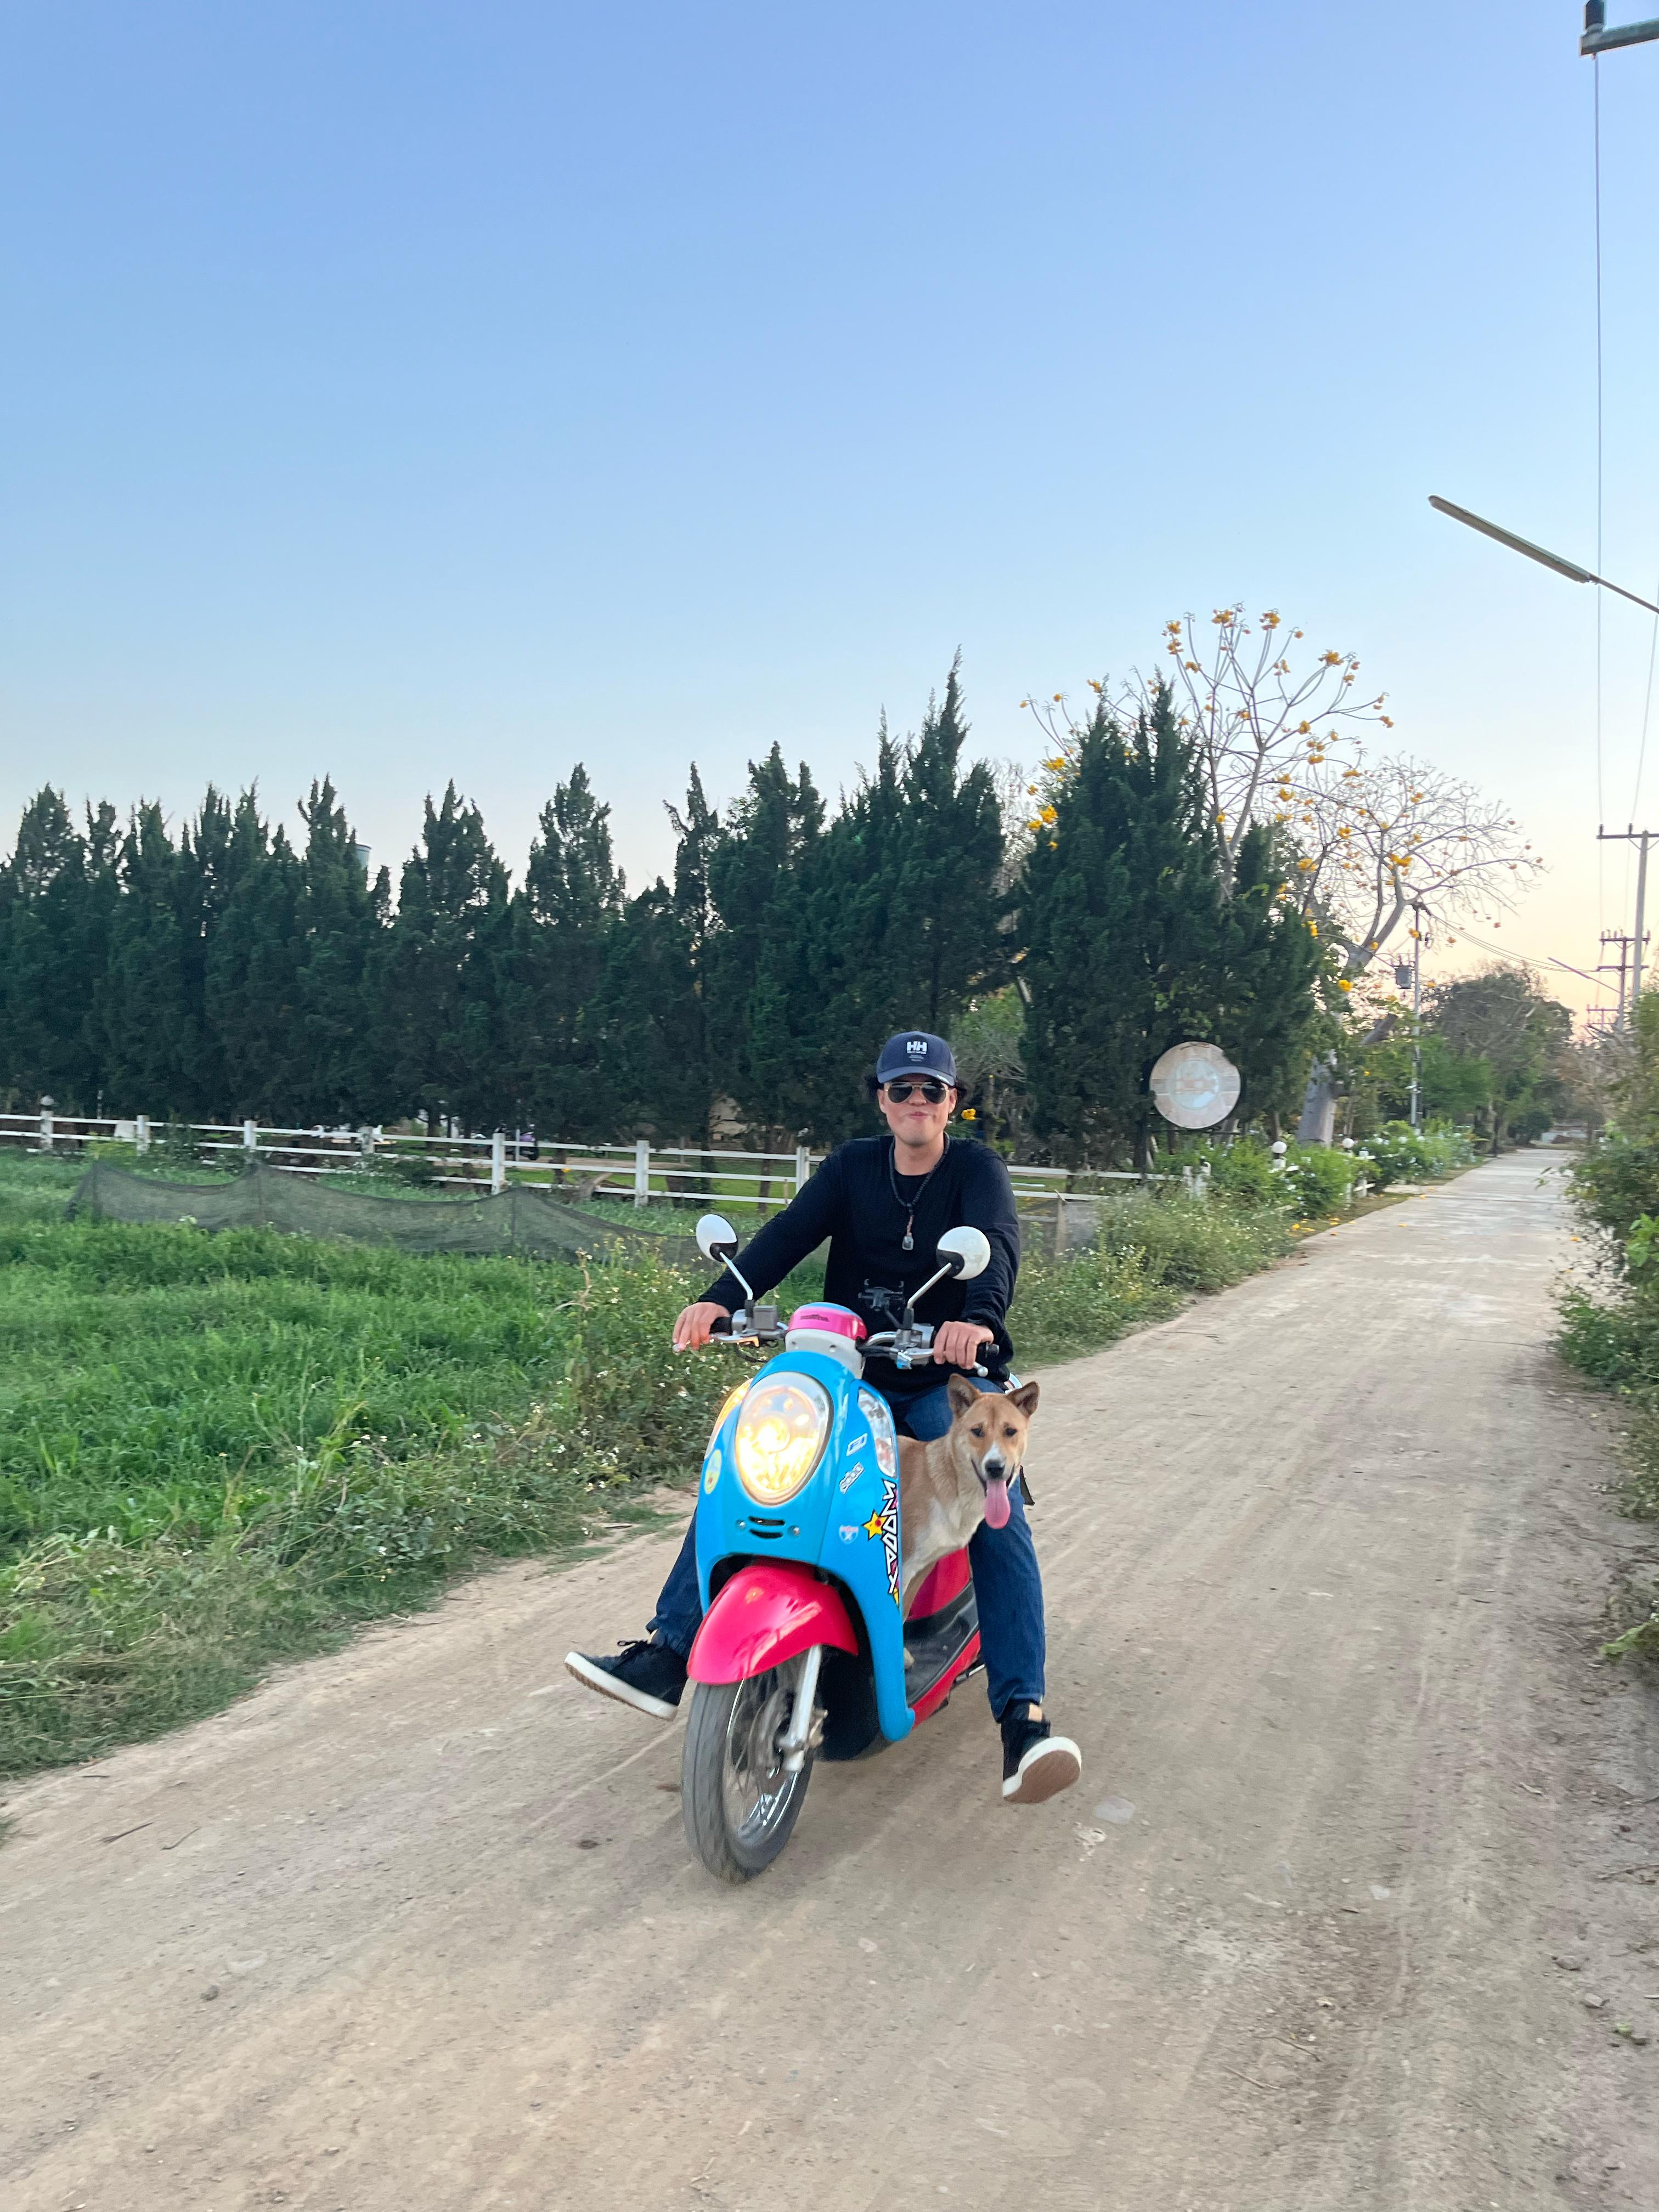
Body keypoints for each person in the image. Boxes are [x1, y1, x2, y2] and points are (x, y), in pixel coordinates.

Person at [565, 1030, 1081, 1805]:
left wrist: (975, 1319)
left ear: (951, 1103)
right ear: (881, 1098)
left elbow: (997, 1247)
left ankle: (1023, 1722)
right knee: (751, 1463)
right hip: (848, 1374)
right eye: (901, 1089)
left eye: (931, 1091)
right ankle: (672, 1649)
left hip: (942, 1386)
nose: (915, 1102)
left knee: (1002, 1527)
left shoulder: (976, 1170)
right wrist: (722, 1298)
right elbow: (787, 1235)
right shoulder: (851, 1167)